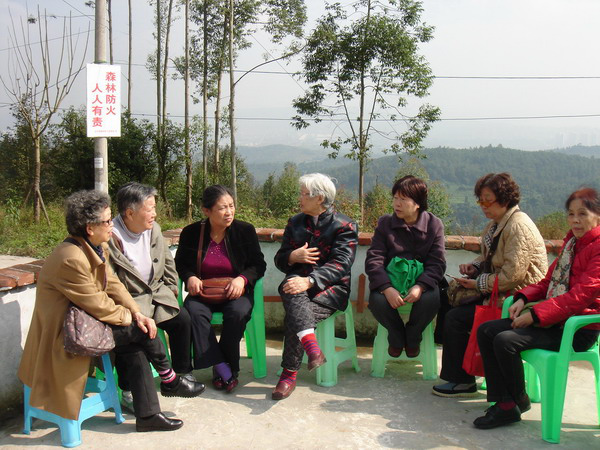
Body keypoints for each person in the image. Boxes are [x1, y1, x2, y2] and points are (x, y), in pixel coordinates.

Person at [18, 190, 204, 433]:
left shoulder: (96, 246)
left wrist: (136, 312)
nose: (111, 225)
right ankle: (169, 380)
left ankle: (149, 414)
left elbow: (113, 284)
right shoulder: (70, 258)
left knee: (138, 339)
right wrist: (134, 320)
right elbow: (98, 303)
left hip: (89, 321)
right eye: (106, 221)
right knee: (139, 332)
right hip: (66, 333)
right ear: (89, 228)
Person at [473, 187, 600, 429]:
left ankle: (512, 403)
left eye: (583, 214)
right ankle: (509, 402)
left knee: (506, 340)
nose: (575, 220)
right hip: (554, 320)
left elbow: (580, 297)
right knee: (487, 330)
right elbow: (546, 282)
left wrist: (535, 315)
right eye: (571, 214)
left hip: (577, 329)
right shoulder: (572, 244)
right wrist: (522, 298)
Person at [433, 173, 548, 397]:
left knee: (456, 319)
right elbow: (490, 258)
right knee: (451, 305)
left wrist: (477, 284)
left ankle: (462, 380)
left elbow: (511, 276)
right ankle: (466, 373)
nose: (483, 206)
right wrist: (474, 267)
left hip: (518, 299)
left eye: (488, 200)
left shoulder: (518, 226)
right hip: (501, 293)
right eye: (481, 201)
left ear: (505, 199)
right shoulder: (497, 224)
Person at [272, 173, 358, 400]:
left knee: (295, 315)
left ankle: (289, 374)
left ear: (319, 198)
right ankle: (312, 349)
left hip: (330, 290)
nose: (299, 198)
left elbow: (341, 264)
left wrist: (310, 280)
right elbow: (280, 260)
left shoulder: (345, 225)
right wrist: (293, 256)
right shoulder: (295, 222)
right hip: (296, 287)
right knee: (292, 288)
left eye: (304, 194)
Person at [108, 183, 195, 408]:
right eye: (150, 209)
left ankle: (182, 374)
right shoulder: (111, 237)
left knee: (182, 319)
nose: (154, 214)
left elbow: (167, 261)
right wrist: (131, 309)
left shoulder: (153, 228)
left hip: (156, 293)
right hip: (131, 300)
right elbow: (111, 281)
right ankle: (128, 390)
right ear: (130, 213)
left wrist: (171, 288)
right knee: (136, 335)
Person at [175, 185, 266, 393]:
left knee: (237, 313)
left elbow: (258, 264)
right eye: (222, 208)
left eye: (231, 206)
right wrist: (189, 277)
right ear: (206, 211)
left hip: (236, 291)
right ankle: (222, 366)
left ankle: (223, 367)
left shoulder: (244, 230)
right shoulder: (191, 233)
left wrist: (242, 279)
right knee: (192, 313)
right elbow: (181, 264)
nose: (229, 212)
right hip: (203, 292)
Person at [366, 175, 446, 358]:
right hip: (391, 280)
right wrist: (386, 288)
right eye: (395, 198)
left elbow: (437, 262)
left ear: (417, 203)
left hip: (422, 282)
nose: (397, 203)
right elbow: (374, 259)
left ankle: (413, 336)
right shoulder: (385, 223)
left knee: (430, 300)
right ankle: (396, 337)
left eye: (403, 199)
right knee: (377, 301)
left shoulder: (434, 225)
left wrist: (420, 286)